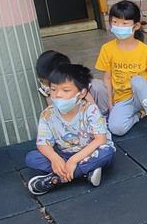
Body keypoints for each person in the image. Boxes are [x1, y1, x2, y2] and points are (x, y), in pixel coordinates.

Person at [25, 63, 116, 196]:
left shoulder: (90, 110)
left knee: (106, 153)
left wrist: (74, 161)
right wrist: (55, 159)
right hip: (64, 155)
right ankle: (84, 173)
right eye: (53, 89)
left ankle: (58, 179)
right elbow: (42, 143)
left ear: (82, 93)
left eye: (65, 90)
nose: (58, 95)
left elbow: (100, 140)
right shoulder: (47, 114)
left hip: (90, 153)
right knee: (32, 158)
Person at [95, 0, 147, 142]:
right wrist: (110, 103)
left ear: (136, 26)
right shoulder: (107, 49)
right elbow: (107, 78)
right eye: (115, 22)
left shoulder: (144, 50)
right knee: (116, 128)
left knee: (137, 80)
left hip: (144, 94)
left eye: (124, 23)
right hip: (123, 98)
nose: (119, 27)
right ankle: (139, 115)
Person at [35, 49, 110, 115]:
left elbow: (91, 104)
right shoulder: (48, 90)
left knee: (98, 86)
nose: (46, 86)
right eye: (43, 82)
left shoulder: (79, 83)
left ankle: (105, 114)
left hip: (91, 113)